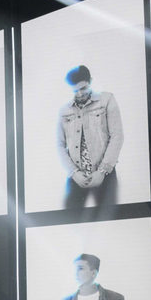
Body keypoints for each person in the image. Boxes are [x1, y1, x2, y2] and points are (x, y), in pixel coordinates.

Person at [57, 65, 123, 212]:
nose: (80, 94)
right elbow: (59, 145)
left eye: (83, 88)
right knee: (69, 222)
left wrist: (102, 171)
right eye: (75, 90)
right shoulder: (63, 110)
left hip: (105, 174)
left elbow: (117, 136)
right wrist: (74, 173)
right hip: (75, 177)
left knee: (111, 222)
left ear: (91, 81)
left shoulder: (107, 99)